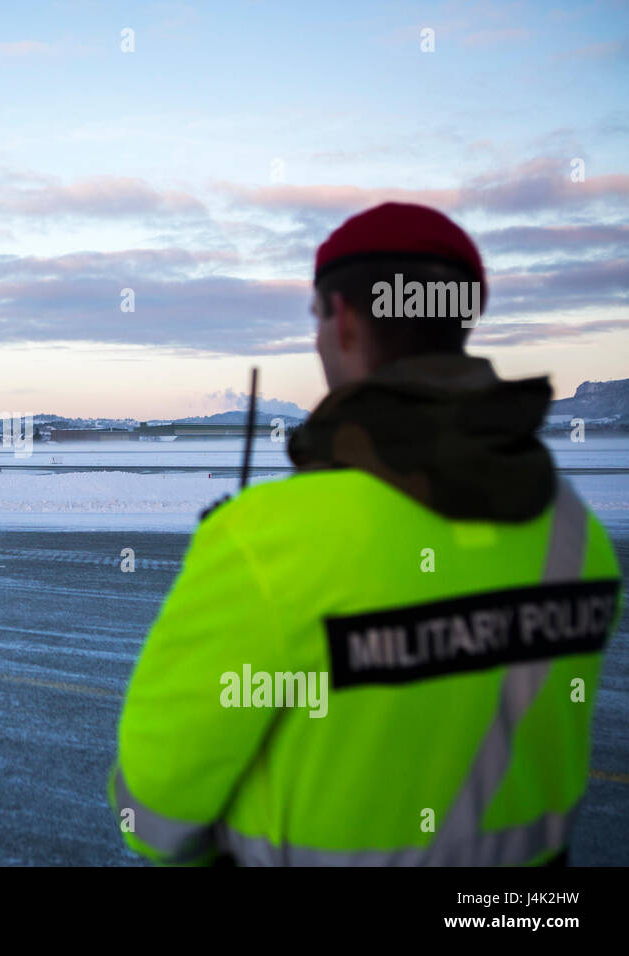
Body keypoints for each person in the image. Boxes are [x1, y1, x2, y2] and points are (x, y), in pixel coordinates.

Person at [109, 202, 622, 866]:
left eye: (317, 318)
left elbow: (153, 814)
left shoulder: (268, 540)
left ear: (343, 320)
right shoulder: (574, 527)